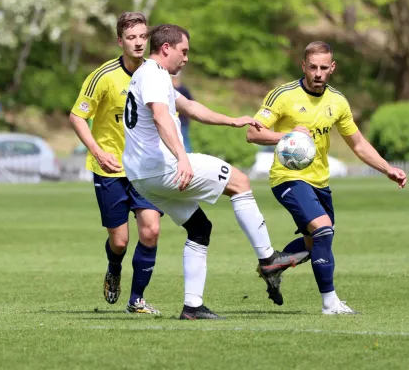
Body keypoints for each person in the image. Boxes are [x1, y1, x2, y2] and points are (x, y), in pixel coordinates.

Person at [122, 24, 309, 320]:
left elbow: (191, 108)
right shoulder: (154, 75)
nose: (186, 58)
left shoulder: (147, 76)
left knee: (199, 230)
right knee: (241, 182)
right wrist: (182, 159)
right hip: (164, 168)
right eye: (184, 51)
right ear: (167, 48)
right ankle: (269, 258)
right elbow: (161, 117)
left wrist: (232, 121)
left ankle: (192, 307)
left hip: (142, 179)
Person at [247, 41, 408, 315]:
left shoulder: (338, 102)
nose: (318, 73)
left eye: (324, 67)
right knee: (323, 229)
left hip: (320, 181)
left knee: (317, 242)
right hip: (288, 177)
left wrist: (387, 168)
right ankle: (330, 303)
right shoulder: (283, 95)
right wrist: (288, 136)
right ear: (303, 66)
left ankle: (273, 265)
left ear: (332, 68)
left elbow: (357, 144)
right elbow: (253, 133)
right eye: (313, 67)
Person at [69, 12, 163, 315]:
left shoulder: (157, 72)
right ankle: (113, 267)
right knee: (120, 241)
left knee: (150, 231)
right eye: (132, 37)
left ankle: (136, 300)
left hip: (145, 169)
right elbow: (77, 116)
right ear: (119, 41)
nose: (138, 43)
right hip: (110, 169)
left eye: (143, 36)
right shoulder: (103, 76)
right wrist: (97, 152)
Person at [171, 72, 193, 152]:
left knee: (184, 139)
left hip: (182, 120)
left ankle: (188, 157)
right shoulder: (170, 88)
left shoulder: (183, 90)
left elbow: (190, 103)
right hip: (173, 120)